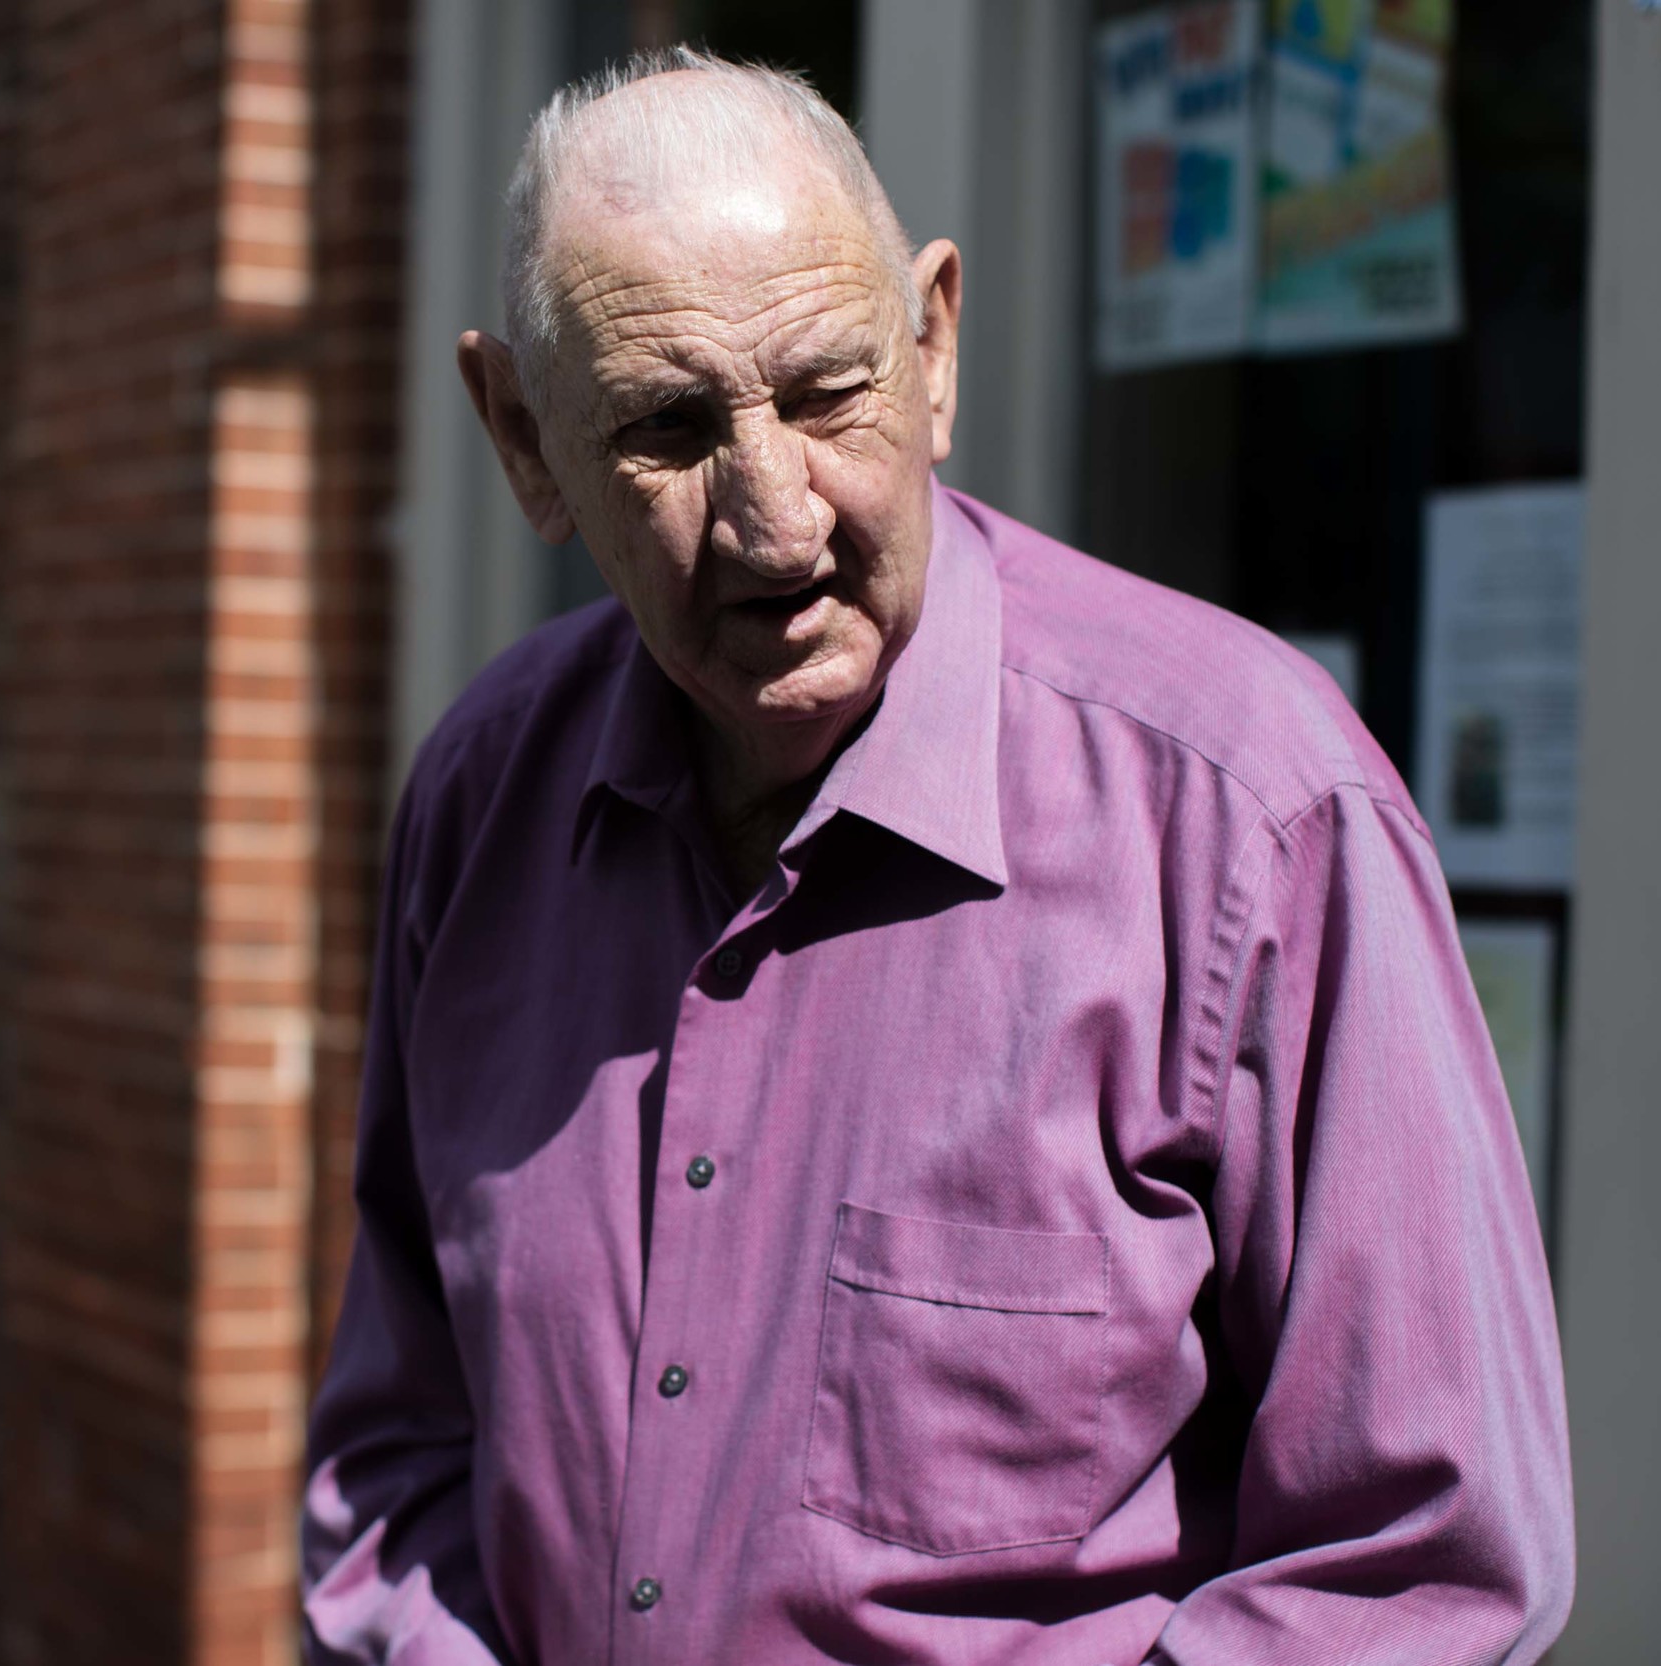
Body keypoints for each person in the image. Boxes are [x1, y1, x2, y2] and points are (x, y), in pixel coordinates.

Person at [300, 48, 1572, 1666]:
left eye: (829, 391)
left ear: (937, 345)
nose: (777, 518)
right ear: (526, 443)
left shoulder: (1253, 814)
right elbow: (401, 1459)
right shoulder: (485, 802)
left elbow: (1425, 1566)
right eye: (670, 428)